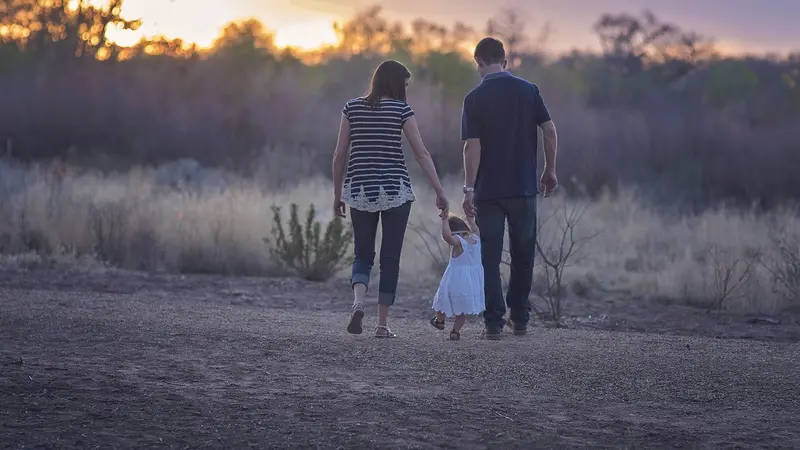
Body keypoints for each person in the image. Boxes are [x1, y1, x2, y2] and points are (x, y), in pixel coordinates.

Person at [332, 60, 449, 339]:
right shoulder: (401, 110)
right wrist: (439, 190)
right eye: (405, 84)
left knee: (362, 253)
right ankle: (382, 325)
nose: (406, 90)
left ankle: (358, 303)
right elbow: (421, 154)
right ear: (396, 83)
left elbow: (339, 154)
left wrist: (338, 194)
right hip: (395, 190)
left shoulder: (352, 108)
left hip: (359, 189)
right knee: (390, 258)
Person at [460, 37, 559, 340]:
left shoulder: (474, 98)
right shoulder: (528, 91)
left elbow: (471, 147)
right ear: (504, 61)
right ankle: (520, 318)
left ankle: (493, 323)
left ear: (478, 62)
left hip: (489, 191)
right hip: (524, 188)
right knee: (523, 254)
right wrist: (549, 169)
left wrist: (468, 188)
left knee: (489, 257)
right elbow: (550, 130)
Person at [430, 213, 485, 341]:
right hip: (471, 282)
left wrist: (444, 220)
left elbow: (447, 236)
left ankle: (440, 320)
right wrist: (471, 220)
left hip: (456, 279)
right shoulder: (476, 239)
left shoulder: (459, 242)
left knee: (442, 301)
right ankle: (455, 331)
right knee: (462, 310)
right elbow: (476, 229)